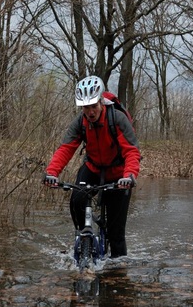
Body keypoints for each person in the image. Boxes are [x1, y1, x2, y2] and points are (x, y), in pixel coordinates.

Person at [43, 76, 141, 258]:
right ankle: (84, 236)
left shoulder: (117, 119)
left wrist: (129, 176)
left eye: (93, 106)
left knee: (116, 234)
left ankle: (118, 276)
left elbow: (132, 151)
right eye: (85, 107)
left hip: (119, 174)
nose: (90, 112)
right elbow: (66, 148)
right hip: (93, 168)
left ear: (101, 102)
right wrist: (52, 172)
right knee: (76, 199)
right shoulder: (80, 122)